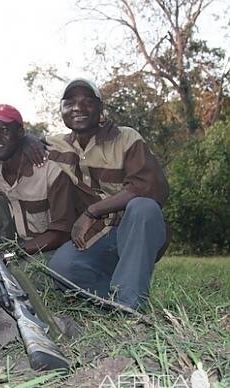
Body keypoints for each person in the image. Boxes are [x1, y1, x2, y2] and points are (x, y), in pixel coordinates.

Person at [47, 78, 170, 310]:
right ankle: (114, 296)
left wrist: (92, 211)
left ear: (101, 108)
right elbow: (20, 143)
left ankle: (129, 305)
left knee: (143, 206)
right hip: (96, 235)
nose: (78, 108)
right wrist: (29, 141)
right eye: (70, 102)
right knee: (61, 269)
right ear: (61, 111)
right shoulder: (55, 146)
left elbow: (148, 185)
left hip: (133, 230)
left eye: (88, 101)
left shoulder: (126, 138)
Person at [0, 104, 81, 257]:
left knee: (24, 275)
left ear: (21, 133)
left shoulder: (49, 170)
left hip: (43, 252)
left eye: (3, 130)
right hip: (2, 252)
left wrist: (12, 253)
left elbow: (61, 232)